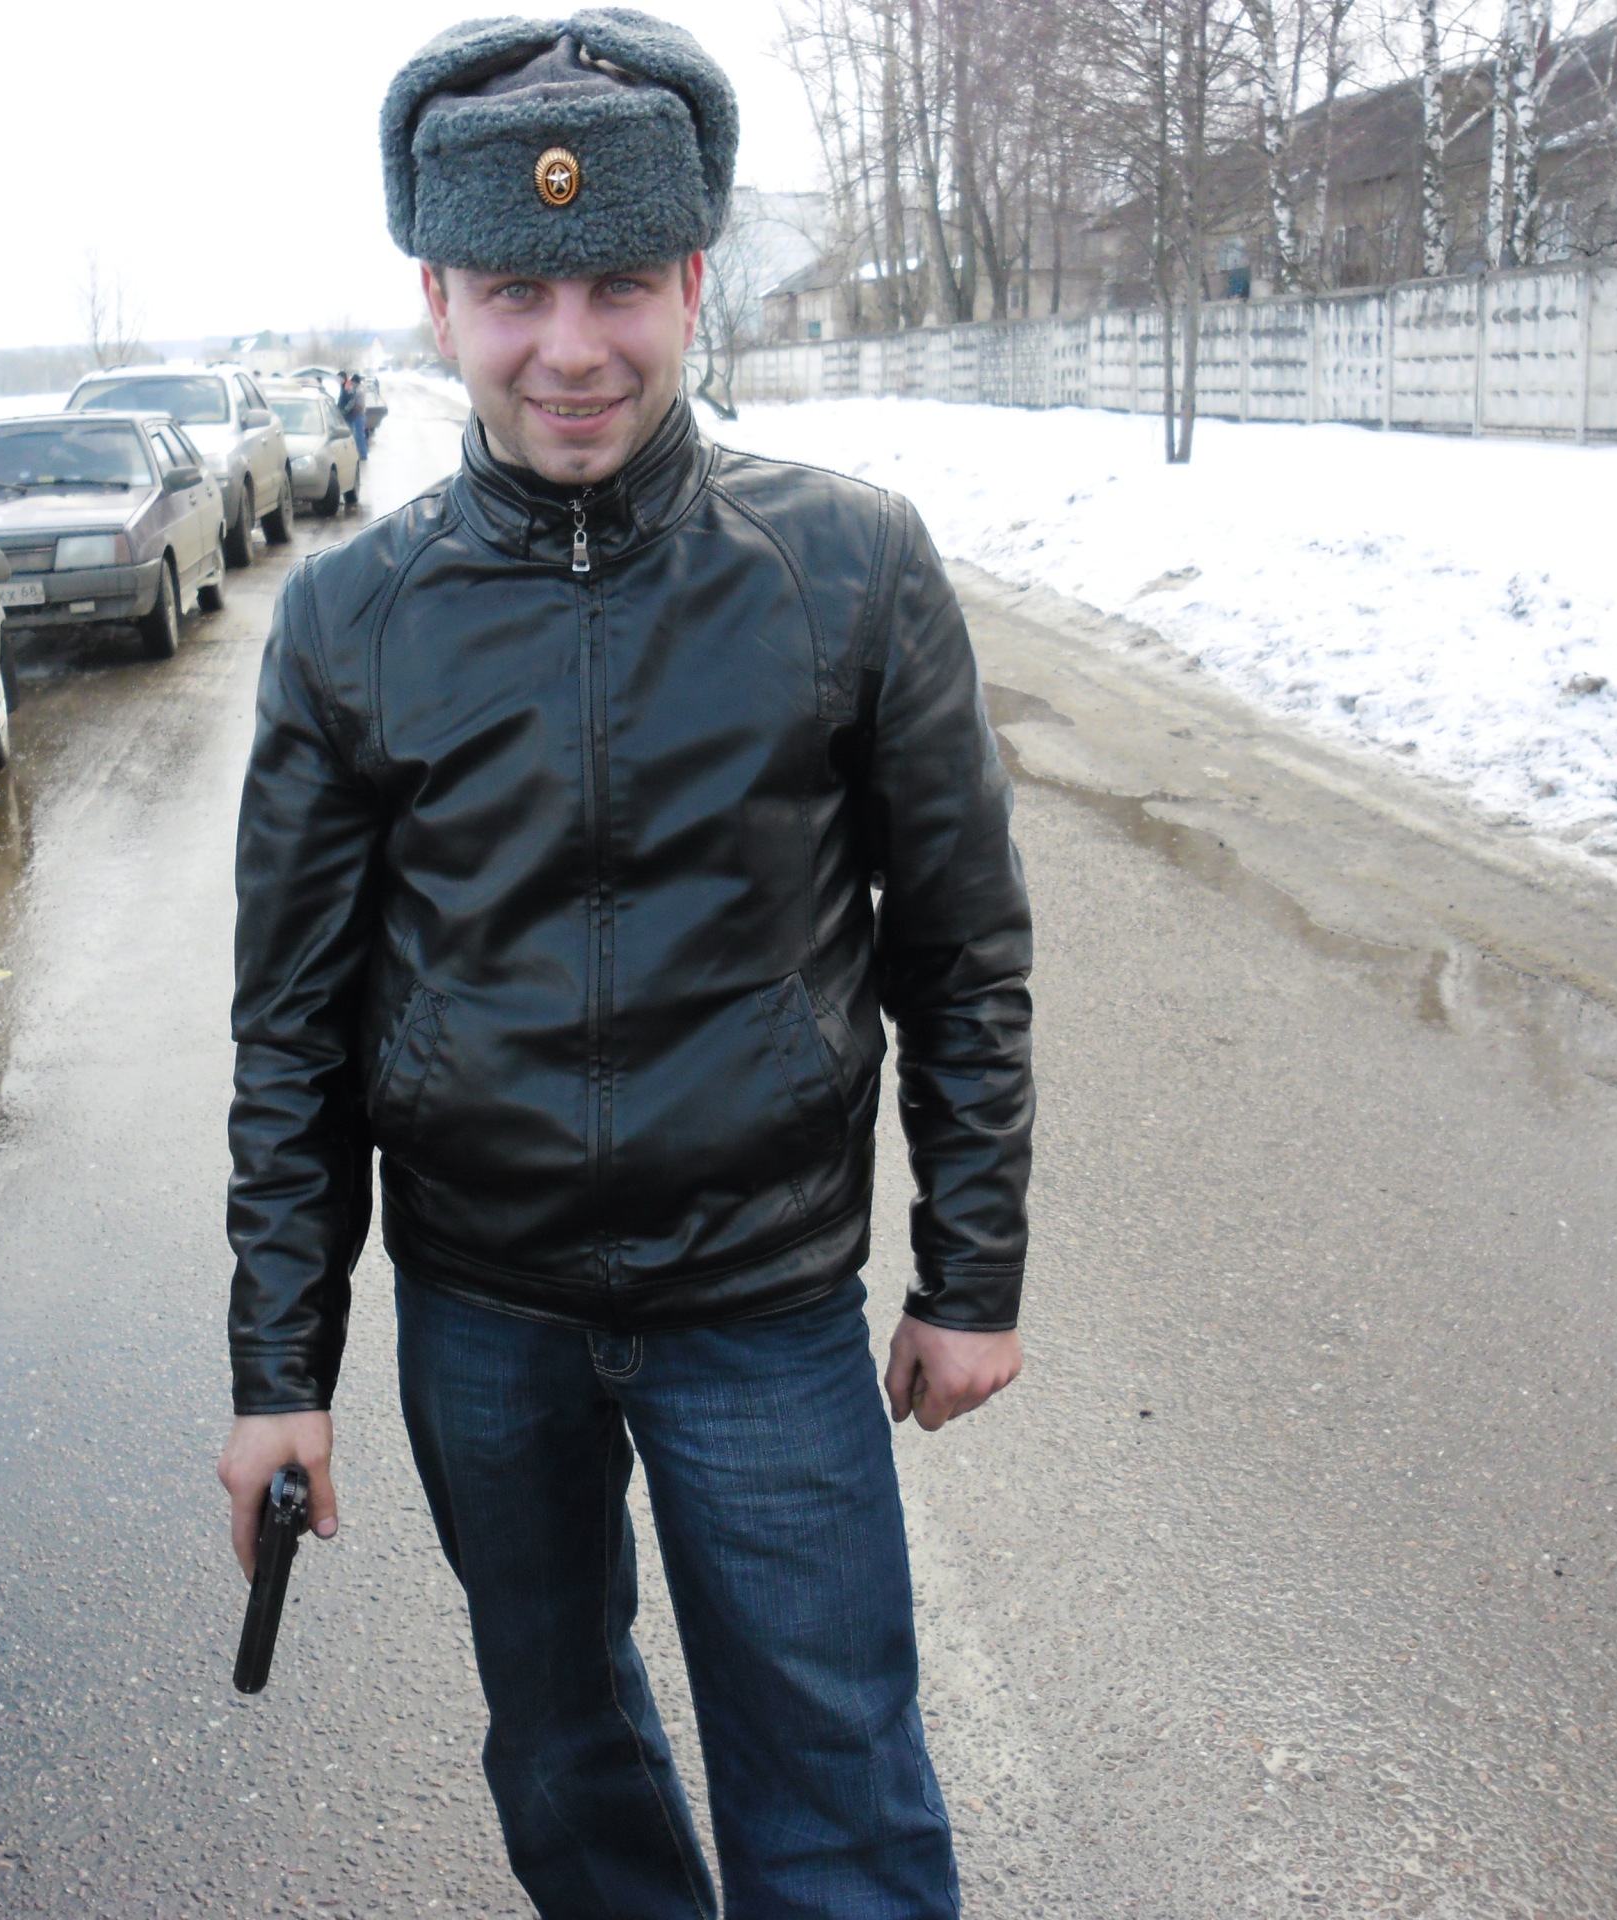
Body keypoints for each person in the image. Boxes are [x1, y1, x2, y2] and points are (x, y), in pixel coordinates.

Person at [218, 12, 1033, 1916]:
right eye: (516, 290)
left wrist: (970, 1273)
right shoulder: (348, 619)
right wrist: (279, 1371)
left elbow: (961, 950)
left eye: (618, 285)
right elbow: (293, 1032)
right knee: (561, 1745)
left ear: (692, 285)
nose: (571, 348)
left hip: (764, 1303)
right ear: (438, 302)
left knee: (835, 1774)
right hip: (483, 1317)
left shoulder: (853, 568)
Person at [338, 371, 369, 461]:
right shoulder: (357, 389)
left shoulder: (359, 391)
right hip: (358, 415)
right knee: (358, 435)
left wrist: (346, 411)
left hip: (358, 415)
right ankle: (361, 453)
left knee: (359, 436)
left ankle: (363, 454)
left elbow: (356, 404)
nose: (351, 384)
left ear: (355, 382)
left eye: (352, 382)